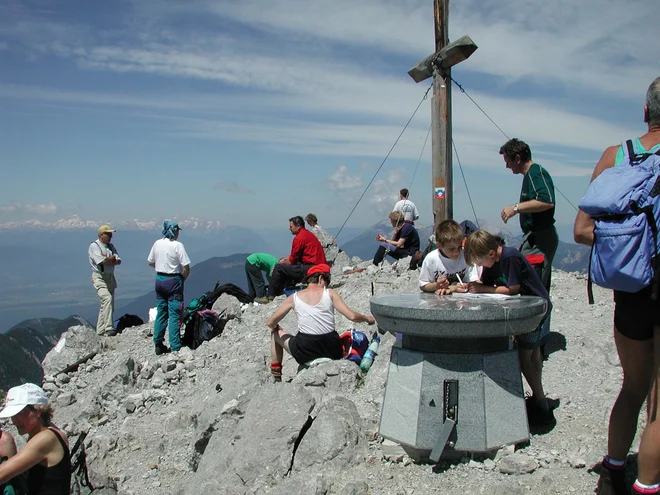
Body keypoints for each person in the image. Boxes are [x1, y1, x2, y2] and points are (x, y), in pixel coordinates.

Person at [574, 77, 660, 495]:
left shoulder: (616, 156)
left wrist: (632, 250)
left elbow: (582, 230)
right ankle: (649, 484)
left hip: (631, 290)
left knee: (634, 385)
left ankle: (612, 476)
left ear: (646, 112)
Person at [464, 230, 555, 430]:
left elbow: (512, 289)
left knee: (525, 360)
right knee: (534, 355)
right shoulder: (493, 260)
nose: (480, 267)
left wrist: (483, 290)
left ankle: (541, 404)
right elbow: (487, 283)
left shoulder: (510, 256)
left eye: (479, 263)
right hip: (531, 310)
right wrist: (472, 287)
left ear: (490, 254)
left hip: (534, 312)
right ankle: (539, 400)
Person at [265, 264, 375, 381]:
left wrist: (276, 327)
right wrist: (367, 318)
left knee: (274, 333)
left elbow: (270, 322)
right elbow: (352, 316)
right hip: (332, 350)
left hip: (305, 351)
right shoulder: (330, 293)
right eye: (327, 281)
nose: (327, 285)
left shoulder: (294, 297)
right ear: (321, 279)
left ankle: (277, 378)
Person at [499, 138, 558, 295]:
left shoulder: (536, 173)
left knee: (533, 287)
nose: (507, 166)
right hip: (533, 237)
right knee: (529, 281)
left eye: (508, 161)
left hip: (540, 237)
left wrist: (516, 208)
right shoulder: (530, 175)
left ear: (517, 158)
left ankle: (538, 319)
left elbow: (546, 200)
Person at [0, 383, 71, 495]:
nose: (14, 421)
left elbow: (2, 474)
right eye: (13, 415)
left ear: (38, 411)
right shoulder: (52, 432)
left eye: (19, 413)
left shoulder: (45, 439)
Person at [256, 216, 326, 304]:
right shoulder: (307, 234)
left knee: (278, 267)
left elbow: (292, 260)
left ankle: (270, 296)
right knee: (285, 268)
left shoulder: (299, 238)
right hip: (318, 267)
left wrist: (281, 262)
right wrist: (286, 260)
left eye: (291, 226)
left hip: (311, 268)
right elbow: (296, 257)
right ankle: (279, 294)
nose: (289, 228)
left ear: (298, 226)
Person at [147, 221, 191, 355]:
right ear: (174, 231)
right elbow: (186, 267)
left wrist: (161, 268)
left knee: (161, 312)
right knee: (174, 313)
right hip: (173, 280)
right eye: (177, 231)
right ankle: (175, 346)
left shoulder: (157, 243)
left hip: (159, 279)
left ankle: (158, 343)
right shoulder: (177, 246)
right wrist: (181, 279)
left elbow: (150, 262)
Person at [419, 220, 480, 295]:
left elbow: (473, 282)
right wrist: (437, 285)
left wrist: (460, 286)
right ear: (439, 245)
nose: (457, 252)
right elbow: (423, 285)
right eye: (451, 249)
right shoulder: (431, 259)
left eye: (459, 247)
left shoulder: (466, 256)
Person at [88, 224, 121, 337]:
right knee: (107, 299)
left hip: (110, 277)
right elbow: (102, 262)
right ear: (101, 235)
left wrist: (109, 259)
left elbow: (118, 261)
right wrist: (110, 259)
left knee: (107, 304)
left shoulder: (110, 246)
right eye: (108, 234)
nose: (110, 236)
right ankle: (109, 328)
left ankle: (100, 331)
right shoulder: (94, 246)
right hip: (99, 277)